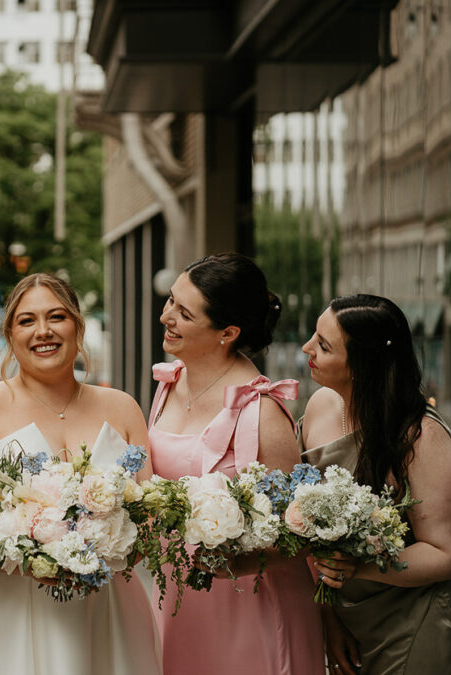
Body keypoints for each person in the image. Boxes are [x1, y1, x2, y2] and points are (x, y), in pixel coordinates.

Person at [0, 273, 161, 675]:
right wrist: (32, 561)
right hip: (4, 612)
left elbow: (150, 514)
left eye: (57, 317)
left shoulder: (122, 407)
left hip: (106, 609)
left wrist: (110, 550)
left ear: (78, 327)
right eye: (27, 321)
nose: (44, 331)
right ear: (10, 334)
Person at [147, 253, 324, 674]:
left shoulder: (261, 412)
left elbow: (297, 534)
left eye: (183, 313)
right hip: (176, 596)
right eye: (171, 301)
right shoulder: (170, 382)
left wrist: (232, 564)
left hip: (248, 603)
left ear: (227, 332)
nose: (165, 316)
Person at [300, 294, 451, 674]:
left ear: (361, 366)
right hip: (352, 616)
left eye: (323, 344)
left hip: (417, 622)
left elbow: (444, 553)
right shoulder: (319, 405)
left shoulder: (420, 436)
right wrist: (329, 616)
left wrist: (357, 567)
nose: (307, 349)